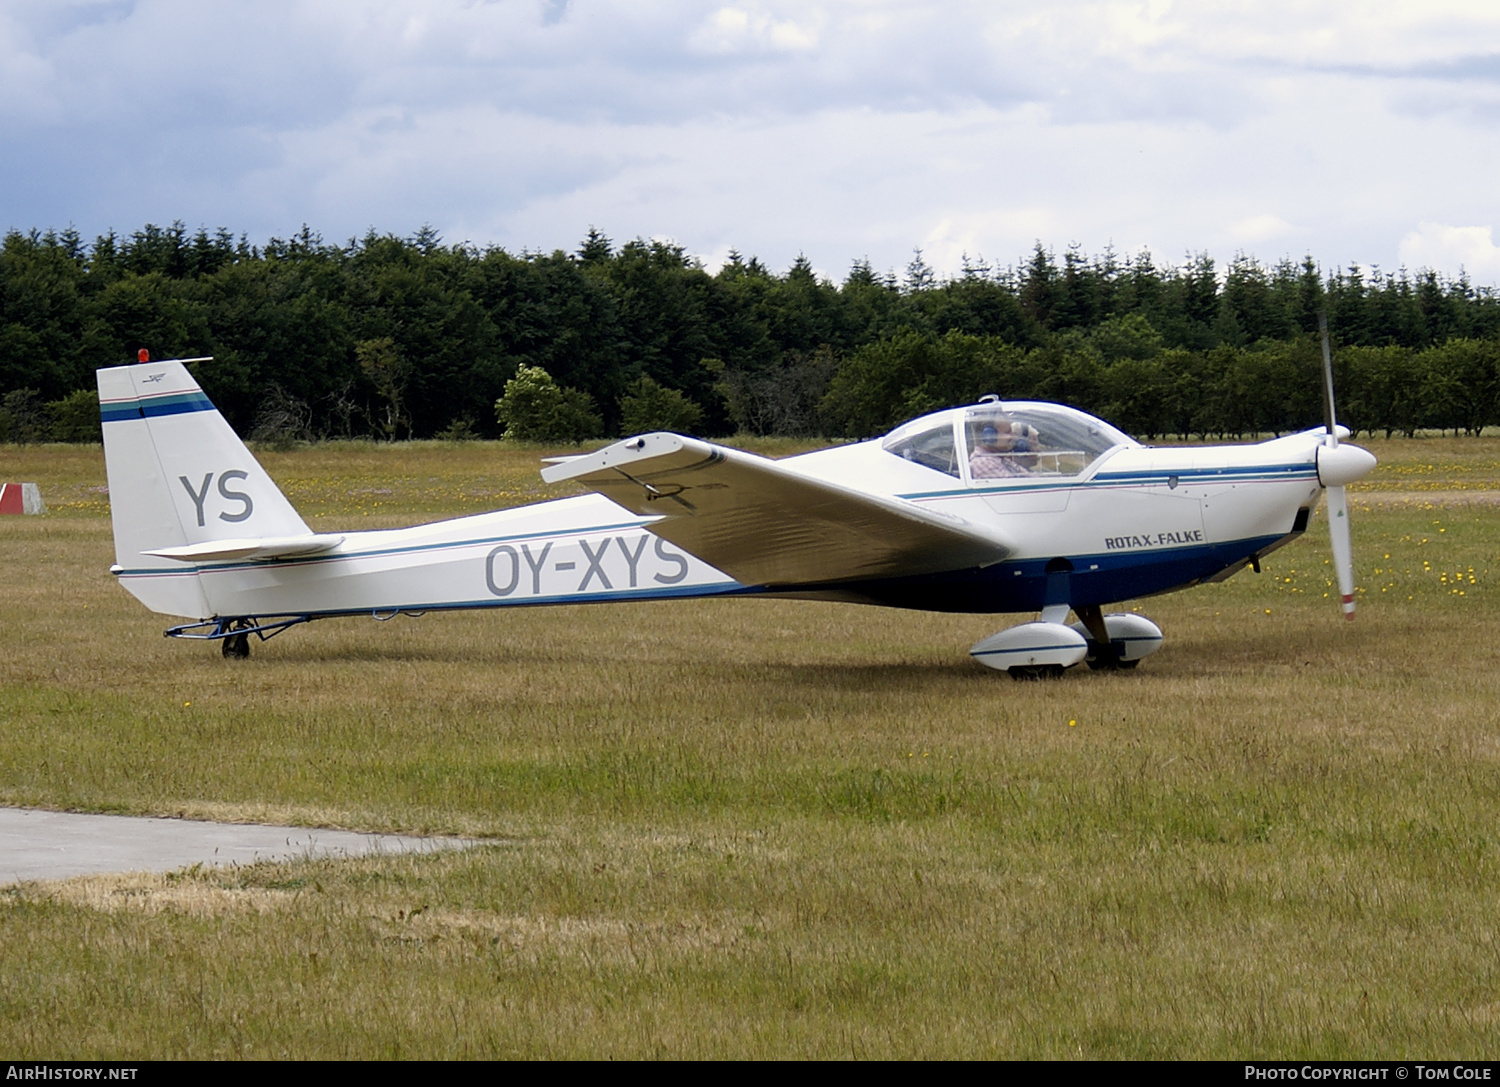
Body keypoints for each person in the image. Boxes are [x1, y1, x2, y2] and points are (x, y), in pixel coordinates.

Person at [968, 420, 1038, 478]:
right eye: (1007, 432)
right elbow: (1018, 487)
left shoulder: (1002, 459)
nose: (1012, 436)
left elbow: (1030, 478)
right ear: (989, 436)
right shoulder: (982, 463)